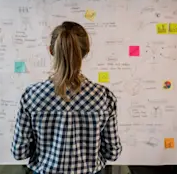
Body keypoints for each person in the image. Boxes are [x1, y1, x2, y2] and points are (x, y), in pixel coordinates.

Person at [11, 21, 122, 174]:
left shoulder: (32, 95)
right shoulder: (103, 97)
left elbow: (19, 152)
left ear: (51, 50)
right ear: (86, 52)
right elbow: (112, 153)